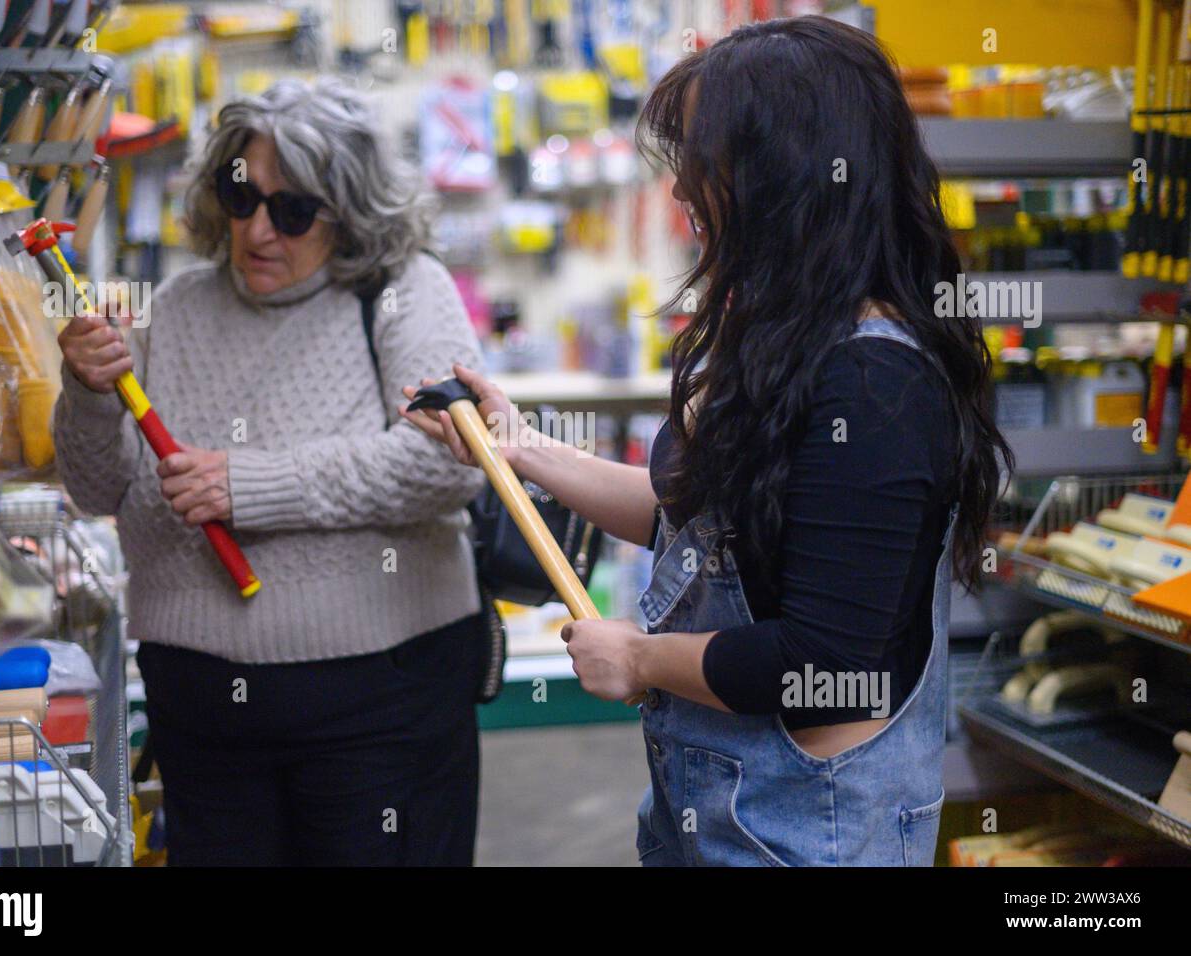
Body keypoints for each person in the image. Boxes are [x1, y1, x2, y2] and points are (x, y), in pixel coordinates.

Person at [402, 17, 1010, 867]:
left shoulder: (876, 385)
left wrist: (643, 658)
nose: (681, 186)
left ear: (786, 173)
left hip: (808, 833)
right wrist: (517, 447)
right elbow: (695, 524)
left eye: (702, 158)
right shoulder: (798, 339)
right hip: (720, 808)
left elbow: (825, 662)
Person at [54, 77, 486, 865]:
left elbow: (450, 460)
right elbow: (96, 489)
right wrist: (86, 395)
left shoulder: (403, 292)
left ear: (350, 213)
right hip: (200, 711)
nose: (256, 230)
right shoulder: (177, 305)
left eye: (293, 212)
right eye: (241, 194)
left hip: (379, 707)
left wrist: (251, 484)